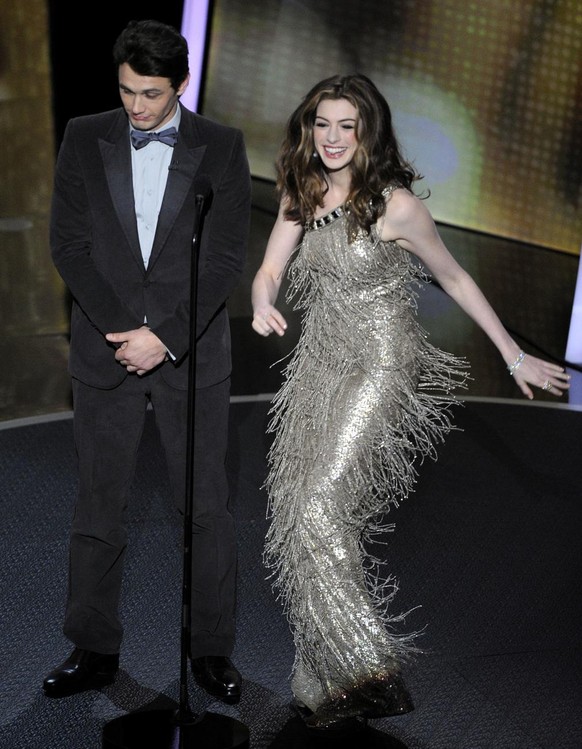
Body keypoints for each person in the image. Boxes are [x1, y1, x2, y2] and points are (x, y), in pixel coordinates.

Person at [251, 73, 570, 732]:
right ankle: (323, 670)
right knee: (294, 511)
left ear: (368, 131)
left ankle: (371, 666)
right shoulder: (300, 190)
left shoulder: (394, 206)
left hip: (378, 367)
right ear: (310, 128)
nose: (334, 138)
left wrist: (513, 355)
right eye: (323, 124)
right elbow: (272, 267)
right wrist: (260, 299)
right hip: (318, 366)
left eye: (348, 125)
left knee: (318, 505)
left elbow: (453, 275)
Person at [43, 20, 251, 704]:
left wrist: (162, 336)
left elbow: (223, 259)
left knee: (207, 509)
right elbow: (68, 244)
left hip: (191, 353)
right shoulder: (83, 134)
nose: (137, 106)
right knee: (100, 502)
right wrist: (122, 329)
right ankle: (94, 647)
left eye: (152, 94)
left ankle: (211, 651)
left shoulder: (220, 146)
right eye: (128, 90)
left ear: (181, 84)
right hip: (106, 350)